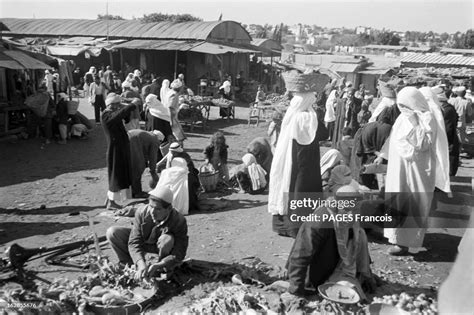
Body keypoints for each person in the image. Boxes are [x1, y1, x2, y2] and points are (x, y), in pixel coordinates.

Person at [376, 87, 450, 255]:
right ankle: (396, 238)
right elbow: (393, 139)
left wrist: (416, 121)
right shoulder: (402, 118)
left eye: (405, 104)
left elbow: (422, 144)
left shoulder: (427, 118)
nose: (403, 108)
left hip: (417, 170)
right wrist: (383, 156)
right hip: (399, 168)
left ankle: (405, 244)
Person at [286, 185, 374, 299]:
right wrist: (296, 290)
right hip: (315, 272)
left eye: (356, 209)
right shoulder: (320, 221)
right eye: (347, 209)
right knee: (347, 293)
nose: (351, 214)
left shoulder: (351, 219)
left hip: (335, 264)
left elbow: (356, 245)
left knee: (360, 233)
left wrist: (367, 274)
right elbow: (300, 255)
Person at [269, 85, 328, 238]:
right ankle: (297, 227)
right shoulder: (307, 117)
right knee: (302, 191)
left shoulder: (291, 114)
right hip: (306, 162)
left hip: (289, 158)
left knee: (287, 186)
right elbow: (323, 133)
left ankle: (281, 225)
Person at [106, 185, 188, 280]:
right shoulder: (142, 212)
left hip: (160, 249)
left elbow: (180, 251)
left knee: (167, 239)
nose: (152, 212)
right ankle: (130, 264)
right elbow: (134, 242)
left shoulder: (178, 220)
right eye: (151, 206)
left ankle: (161, 269)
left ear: (169, 209)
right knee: (113, 233)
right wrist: (140, 263)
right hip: (144, 244)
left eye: (158, 209)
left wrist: (161, 264)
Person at [102, 93, 137, 210]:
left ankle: (109, 199)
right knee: (115, 175)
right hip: (115, 149)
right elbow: (119, 115)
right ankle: (111, 202)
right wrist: (131, 105)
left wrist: (125, 107)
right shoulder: (106, 116)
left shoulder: (113, 114)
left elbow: (125, 118)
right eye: (116, 105)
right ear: (111, 105)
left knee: (119, 174)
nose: (118, 107)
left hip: (120, 148)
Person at [350, 107, 398, 189]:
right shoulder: (391, 129)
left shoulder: (368, 126)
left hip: (365, 159)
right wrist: (381, 155)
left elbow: (362, 145)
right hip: (381, 163)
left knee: (364, 186)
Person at [157, 142, 200, 211]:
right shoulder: (170, 155)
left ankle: (190, 205)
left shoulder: (185, 156)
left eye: (174, 152)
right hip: (174, 175)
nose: (173, 153)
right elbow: (167, 165)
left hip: (187, 175)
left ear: (178, 151)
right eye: (172, 152)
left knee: (188, 187)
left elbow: (189, 168)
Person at [128, 129, 165, 198]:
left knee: (131, 167)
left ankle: (132, 191)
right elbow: (153, 157)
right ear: (159, 140)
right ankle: (137, 192)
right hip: (133, 141)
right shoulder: (155, 140)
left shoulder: (148, 135)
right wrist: (153, 171)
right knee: (138, 168)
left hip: (128, 137)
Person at [432, 86, 460, 176]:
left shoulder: (446, 109)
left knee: (448, 171)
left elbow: (448, 129)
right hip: (447, 141)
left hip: (448, 143)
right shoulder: (446, 108)